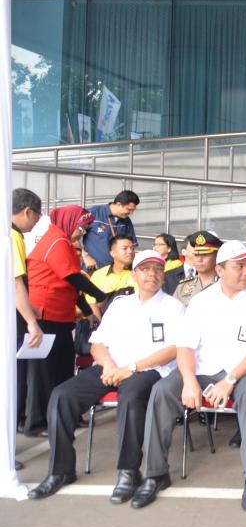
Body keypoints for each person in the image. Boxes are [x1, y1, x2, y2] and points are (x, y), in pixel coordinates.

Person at [27, 250, 183, 502]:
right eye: (145, 269)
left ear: (163, 275)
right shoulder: (120, 305)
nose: (152, 275)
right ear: (133, 275)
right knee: (62, 395)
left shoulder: (174, 307)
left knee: (131, 397)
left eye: (157, 269)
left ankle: (128, 472)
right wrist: (109, 365)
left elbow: (174, 349)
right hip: (110, 367)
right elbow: (98, 343)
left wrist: (131, 368)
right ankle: (60, 471)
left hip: (148, 369)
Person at [134, 240, 246, 511]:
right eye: (239, 266)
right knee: (162, 391)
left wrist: (230, 380)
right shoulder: (201, 301)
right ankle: (155, 473)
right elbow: (185, 346)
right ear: (220, 270)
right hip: (204, 370)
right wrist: (188, 380)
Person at [25, 206, 109, 436]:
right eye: (80, 227)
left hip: (60, 315)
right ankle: (37, 423)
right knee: (43, 373)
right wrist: (100, 296)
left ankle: (66, 415)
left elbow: (70, 284)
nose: (82, 232)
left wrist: (87, 310)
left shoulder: (63, 242)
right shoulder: (56, 241)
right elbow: (72, 277)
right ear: (69, 222)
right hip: (45, 315)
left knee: (63, 369)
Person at [12, 188, 44, 440]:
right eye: (37, 216)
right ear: (26, 211)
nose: (36, 222)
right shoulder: (12, 237)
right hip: (9, 322)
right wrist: (31, 322)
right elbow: (15, 283)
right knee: (15, 378)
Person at [81, 190, 140, 272]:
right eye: (128, 209)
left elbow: (131, 245)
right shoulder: (94, 213)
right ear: (118, 204)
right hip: (93, 269)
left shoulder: (126, 221)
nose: (130, 213)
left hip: (117, 271)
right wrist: (85, 256)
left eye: (133, 210)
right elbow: (73, 238)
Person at [172, 231, 222, 306]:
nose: (199, 259)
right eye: (196, 254)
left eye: (204, 254)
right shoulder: (183, 286)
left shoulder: (226, 285)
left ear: (217, 256)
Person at [87, 235, 136, 301]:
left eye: (132, 248)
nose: (130, 251)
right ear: (113, 253)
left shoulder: (139, 274)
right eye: (124, 248)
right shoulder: (98, 275)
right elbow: (91, 302)